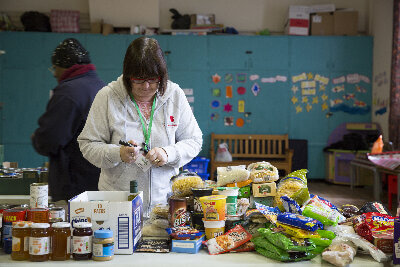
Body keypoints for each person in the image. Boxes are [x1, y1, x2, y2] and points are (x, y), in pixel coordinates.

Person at [78, 37, 202, 213]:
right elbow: (88, 144)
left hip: (164, 203)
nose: (146, 86)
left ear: (162, 76)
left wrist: (168, 153)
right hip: (118, 203)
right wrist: (117, 154)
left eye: (153, 79)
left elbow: (194, 140)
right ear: (128, 76)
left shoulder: (175, 95)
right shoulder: (107, 96)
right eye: (138, 79)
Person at [31, 38, 105, 201]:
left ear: (63, 66)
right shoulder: (101, 86)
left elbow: (51, 139)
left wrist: (37, 139)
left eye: (55, 68)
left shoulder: (67, 93)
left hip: (74, 183)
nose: (55, 74)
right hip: (100, 181)